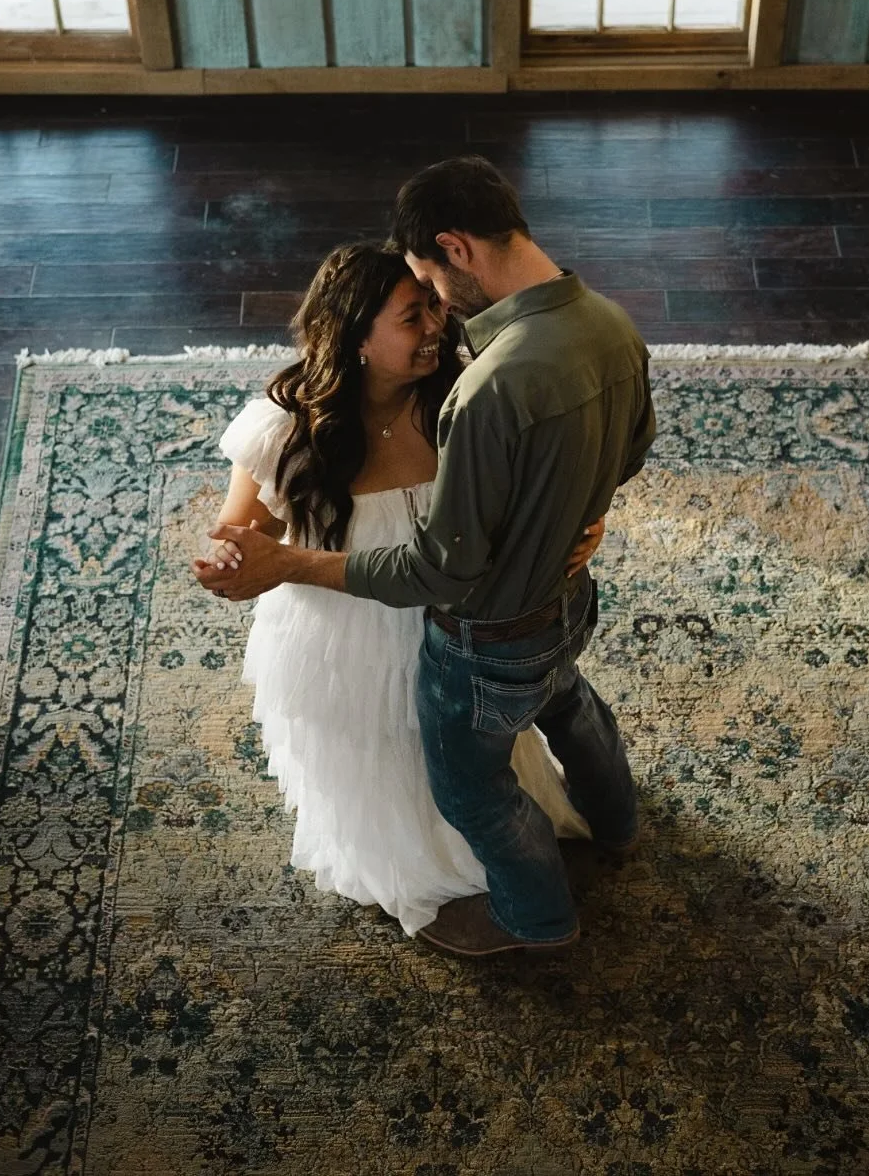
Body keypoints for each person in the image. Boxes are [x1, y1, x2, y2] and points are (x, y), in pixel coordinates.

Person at [197, 157, 656, 959]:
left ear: (454, 248)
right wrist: (238, 563)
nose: (439, 318)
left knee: (470, 773)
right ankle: (560, 837)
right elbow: (242, 541)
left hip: (459, 624)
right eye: (413, 315)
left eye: (429, 297)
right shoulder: (288, 431)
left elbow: (449, 561)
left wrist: (590, 522)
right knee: (400, 751)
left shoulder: (468, 395)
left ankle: (535, 910)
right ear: (355, 340)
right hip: (349, 636)